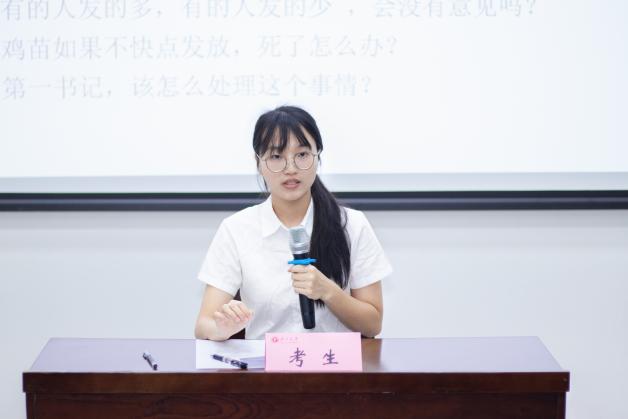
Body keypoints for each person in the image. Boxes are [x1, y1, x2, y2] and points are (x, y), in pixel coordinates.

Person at [194, 106, 393, 340]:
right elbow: (203, 325)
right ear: (259, 162)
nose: (291, 169)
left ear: (318, 157)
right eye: (276, 157)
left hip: (333, 362)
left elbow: (372, 325)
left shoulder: (351, 225)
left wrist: (329, 291)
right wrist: (222, 329)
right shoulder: (236, 229)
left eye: (302, 155)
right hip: (267, 362)